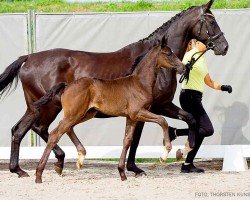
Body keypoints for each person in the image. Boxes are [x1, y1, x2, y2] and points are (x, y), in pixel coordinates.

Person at [164, 39, 232, 173]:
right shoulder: (190, 54)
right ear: (196, 42)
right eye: (203, 43)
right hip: (189, 96)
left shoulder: (202, 59)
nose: (206, 45)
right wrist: (185, 68)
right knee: (208, 129)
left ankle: (187, 163)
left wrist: (223, 87)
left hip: (196, 98)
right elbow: (178, 68)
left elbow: (209, 81)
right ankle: (175, 134)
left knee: (198, 131)